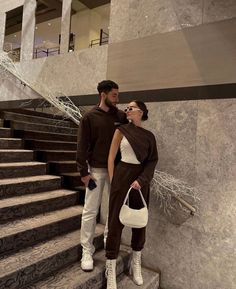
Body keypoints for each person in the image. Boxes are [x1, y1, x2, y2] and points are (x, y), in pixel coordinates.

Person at [105, 100, 158, 289]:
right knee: (115, 223)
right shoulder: (121, 130)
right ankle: (110, 267)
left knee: (139, 223)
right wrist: (113, 181)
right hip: (121, 177)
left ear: (141, 112)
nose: (127, 110)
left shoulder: (149, 136)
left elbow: (152, 162)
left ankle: (136, 264)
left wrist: (142, 181)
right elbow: (111, 157)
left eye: (131, 108)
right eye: (126, 108)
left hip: (140, 182)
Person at [76, 80, 127, 272]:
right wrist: (83, 172)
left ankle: (108, 238)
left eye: (118, 95)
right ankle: (86, 250)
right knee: (90, 211)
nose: (117, 99)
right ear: (103, 94)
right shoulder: (89, 117)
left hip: (116, 171)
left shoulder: (120, 116)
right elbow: (81, 146)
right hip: (95, 172)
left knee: (112, 209)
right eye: (114, 95)